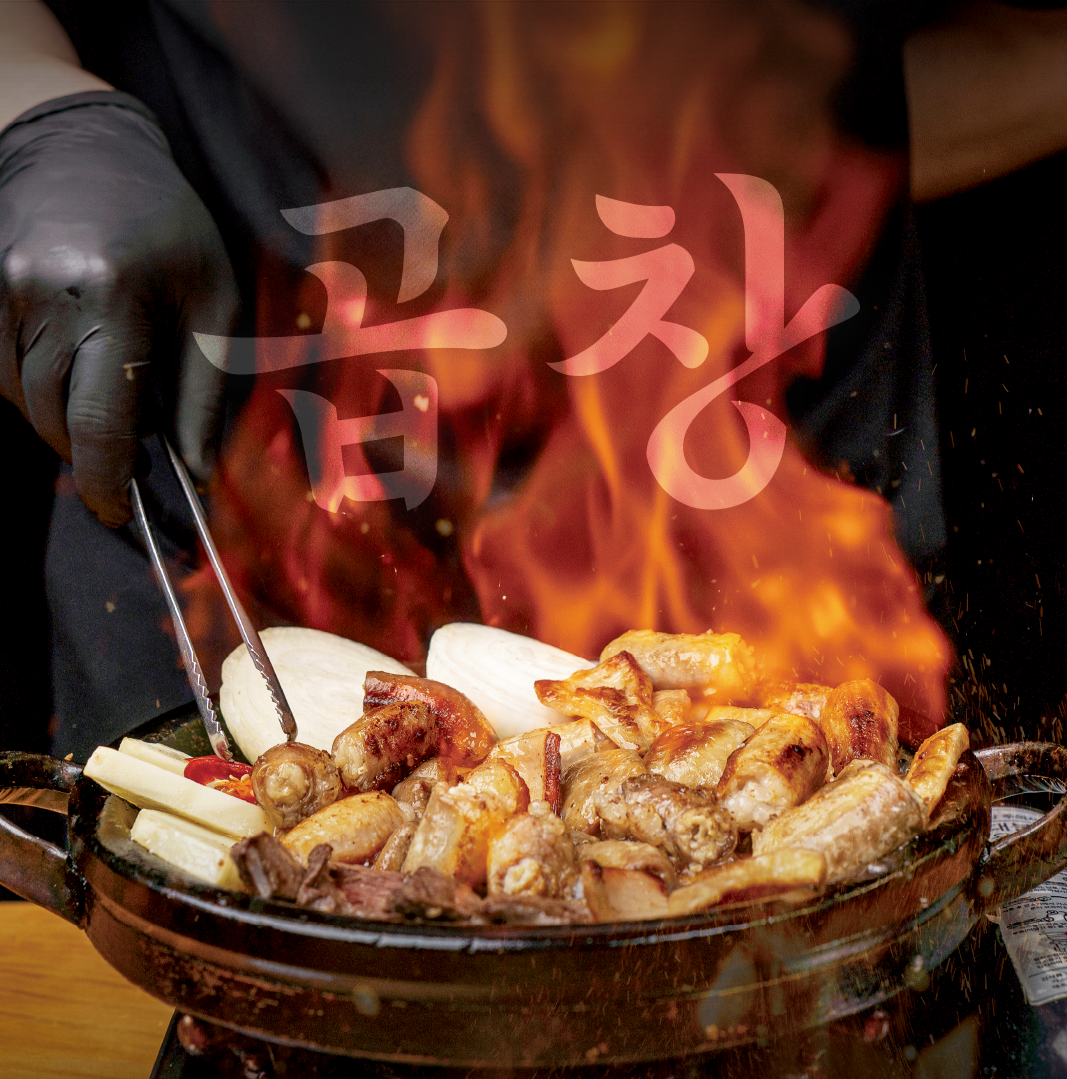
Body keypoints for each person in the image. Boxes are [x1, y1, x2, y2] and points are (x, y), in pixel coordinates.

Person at [2, 0, 1067, 762]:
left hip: (773, 540)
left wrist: (806, 140)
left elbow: (1020, 49)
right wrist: (33, 113)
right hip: (244, 523)